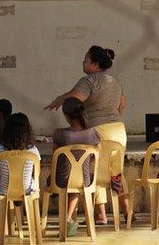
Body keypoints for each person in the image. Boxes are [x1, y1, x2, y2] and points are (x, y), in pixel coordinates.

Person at [45, 45, 128, 224]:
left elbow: (74, 99)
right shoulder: (115, 81)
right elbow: (122, 105)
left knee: (94, 170)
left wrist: (61, 99)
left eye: (86, 60)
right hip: (118, 130)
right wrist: (111, 116)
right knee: (115, 171)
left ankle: (100, 214)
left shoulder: (88, 81)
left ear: (95, 64)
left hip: (99, 130)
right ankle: (128, 211)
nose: (83, 63)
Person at [51, 98, 100, 236]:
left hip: (61, 180)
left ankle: (66, 218)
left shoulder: (60, 134)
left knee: (54, 181)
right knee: (77, 183)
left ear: (66, 116)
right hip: (84, 180)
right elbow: (97, 155)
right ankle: (67, 218)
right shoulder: (92, 134)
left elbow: (55, 156)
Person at [0, 113, 40, 196]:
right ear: (28, 131)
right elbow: (37, 172)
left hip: (3, 190)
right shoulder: (33, 151)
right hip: (26, 190)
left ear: (7, 130)